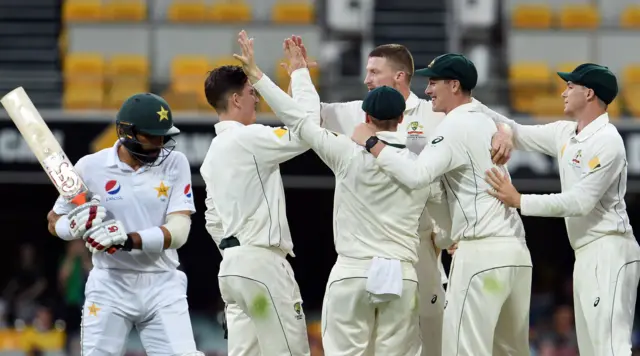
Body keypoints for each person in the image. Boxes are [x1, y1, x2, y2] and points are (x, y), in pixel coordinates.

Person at [286, 37, 514, 355]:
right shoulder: (358, 111)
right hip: (374, 243)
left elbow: (487, 120)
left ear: (399, 76)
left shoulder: (435, 113)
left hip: (423, 246)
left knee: (432, 343)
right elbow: (307, 117)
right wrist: (298, 76)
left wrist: (505, 133)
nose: (366, 79)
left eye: (374, 71)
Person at [238, 36, 436, 354]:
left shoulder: (345, 151)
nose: (366, 78)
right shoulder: (423, 160)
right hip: (402, 273)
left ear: (365, 117)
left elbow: (300, 121)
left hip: (353, 271)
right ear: (402, 119)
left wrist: (269, 75)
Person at [352, 53, 533, 356]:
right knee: (511, 351)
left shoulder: (453, 126)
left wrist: (372, 143)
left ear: (454, 85)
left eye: (433, 82)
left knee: (463, 350)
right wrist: (504, 131)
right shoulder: (486, 121)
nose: (427, 90)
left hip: (481, 254)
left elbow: (417, 176)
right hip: (517, 254)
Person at [485, 63, 640, 356]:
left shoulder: (609, 141)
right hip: (585, 252)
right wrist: (503, 128)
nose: (563, 92)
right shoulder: (565, 133)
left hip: (610, 249)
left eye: (570, 86)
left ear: (589, 93)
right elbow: (515, 129)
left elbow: (580, 202)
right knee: (594, 349)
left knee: (611, 346)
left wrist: (520, 201)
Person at [46, 93, 202, 356]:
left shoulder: (176, 163)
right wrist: (71, 227)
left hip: (163, 284)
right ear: (127, 132)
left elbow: (179, 231)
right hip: (109, 284)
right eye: (151, 136)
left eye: (162, 136)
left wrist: (127, 240)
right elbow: (54, 220)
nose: (159, 143)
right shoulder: (90, 166)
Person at [199, 30, 319, 356]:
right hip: (262, 267)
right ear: (237, 99)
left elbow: (213, 222)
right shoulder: (248, 139)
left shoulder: (213, 155)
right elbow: (306, 130)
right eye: (253, 93)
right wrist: (300, 73)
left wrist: (239, 257)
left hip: (233, 269)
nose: (258, 99)